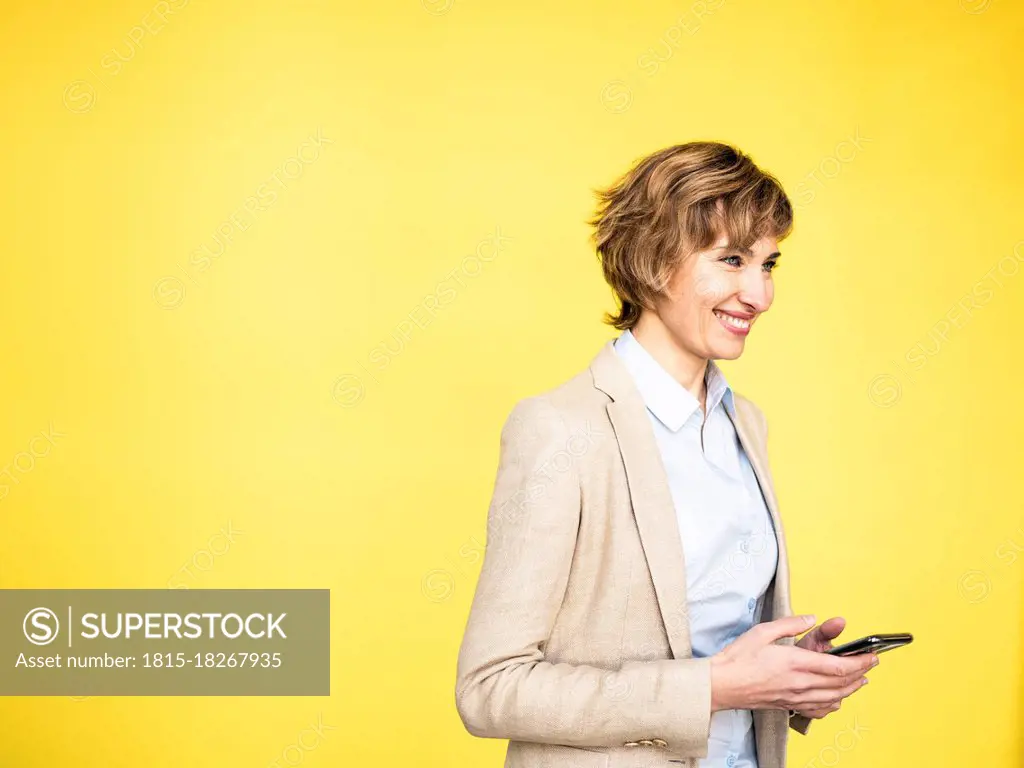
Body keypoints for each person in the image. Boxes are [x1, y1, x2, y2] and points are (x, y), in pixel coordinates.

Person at [455, 141, 878, 768]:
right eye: (731, 259)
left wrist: (785, 680)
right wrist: (715, 686)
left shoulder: (745, 424)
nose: (758, 295)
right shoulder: (559, 429)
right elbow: (489, 689)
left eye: (768, 264)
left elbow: (712, 643)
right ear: (654, 262)